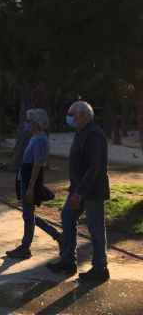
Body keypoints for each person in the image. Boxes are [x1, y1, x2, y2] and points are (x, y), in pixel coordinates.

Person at [47, 101, 111, 282]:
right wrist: (75, 189)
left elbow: (95, 167)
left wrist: (80, 192)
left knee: (96, 229)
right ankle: (68, 261)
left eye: (71, 114)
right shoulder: (81, 132)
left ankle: (100, 268)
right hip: (78, 189)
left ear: (83, 115)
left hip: (91, 191)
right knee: (67, 218)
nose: (69, 117)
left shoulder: (94, 135)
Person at [6, 109, 60, 259]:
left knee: (28, 215)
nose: (27, 124)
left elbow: (38, 164)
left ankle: (27, 246)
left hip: (30, 179)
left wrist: (30, 187)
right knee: (28, 215)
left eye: (29, 121)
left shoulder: (41, 139)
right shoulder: (34, 137)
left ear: (36, 123)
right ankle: (55, 237)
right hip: (24, 177)